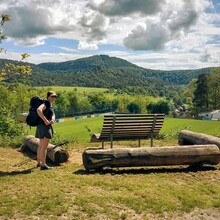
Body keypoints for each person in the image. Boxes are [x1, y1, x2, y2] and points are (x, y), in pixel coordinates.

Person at [35, 91, 56, 170]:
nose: (54, 98)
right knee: (44, 147)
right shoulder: (46, 103)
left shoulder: (50, 104)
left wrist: (52, 119)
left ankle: (39, 162)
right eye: (52, 96)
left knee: (41, 146)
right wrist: (45, 120)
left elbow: (53, 114)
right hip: (44, 127)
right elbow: (38, 110)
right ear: (48, 97)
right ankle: (43, 165)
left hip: (41, 126)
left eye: (55, 96)